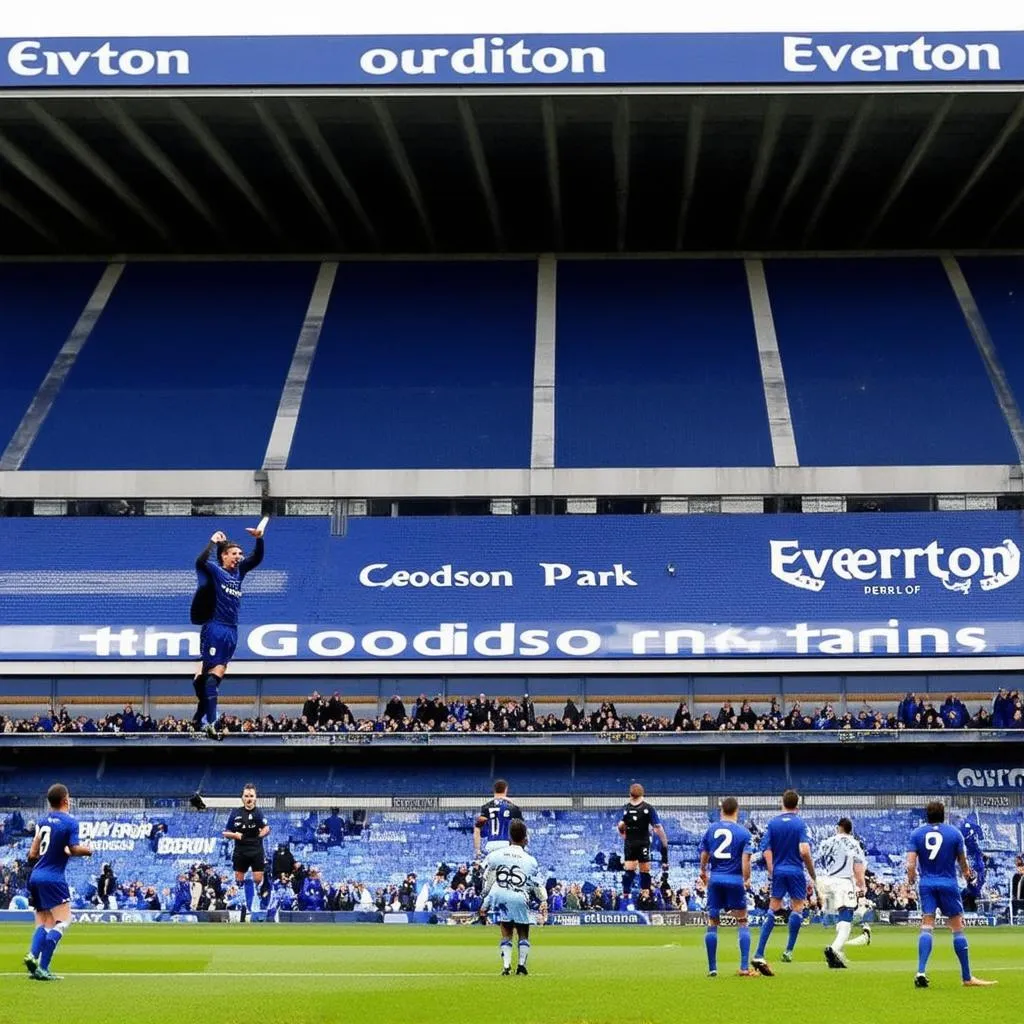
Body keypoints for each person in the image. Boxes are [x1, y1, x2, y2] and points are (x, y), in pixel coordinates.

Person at [907, 800, 995, 988]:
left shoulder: (916, 834)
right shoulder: (954, 833)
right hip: (948, 883)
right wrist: (967, 875)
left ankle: (921, 971)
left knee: (927, 925)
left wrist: (911, 878)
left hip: (927, 884)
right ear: (944, 814)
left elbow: (910, 864)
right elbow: (962, 862)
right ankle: (967, 977)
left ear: (926, 815)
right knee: (957, 928)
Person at [189, 523, 265, 738]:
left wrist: (259, 539)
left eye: (240, 553)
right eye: (234, 553)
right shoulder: (215, 570)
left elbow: (256, 559)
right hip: (215, 627)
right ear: (223, 556)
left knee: (209, 678)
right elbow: (200, 562)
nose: (239, 557)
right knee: (210, 678)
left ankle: (201, 716)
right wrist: (212, 543)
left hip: (231, 631)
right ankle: (210, 722)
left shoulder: (239, 573)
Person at [24, 783, 93, 981]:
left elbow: (33, 854)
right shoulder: (70, 822)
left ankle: (32, 956)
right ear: (65, 800)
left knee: (44, 922)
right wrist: (88, 850)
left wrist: (60, 851)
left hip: (36, 876)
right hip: (54, 878)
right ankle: (43, 967)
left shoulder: (42, 821)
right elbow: (74, 848)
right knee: (63, 921)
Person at [751, 789, 815, 975]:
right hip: (795, 871)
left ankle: (759, 951)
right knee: (797, 908)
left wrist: (772, 870)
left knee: (773, 908)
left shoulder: (773, 823)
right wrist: (811, 872)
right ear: (797, 805)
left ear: (782, 803)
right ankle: (788, 951)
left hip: (778, 871)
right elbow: (804, 850)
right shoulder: (800, 824)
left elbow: (766, 850)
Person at [480, 818, 547, 975]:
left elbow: (487, 876)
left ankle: (506, 966)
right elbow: (536, 884)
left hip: (500, 895)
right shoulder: (530, 860)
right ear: (525, 839)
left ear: (509, 838)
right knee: (523, 931)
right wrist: (543, 901)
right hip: (519, 896)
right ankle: (522, 965)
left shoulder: (495, 855)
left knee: (506, 928)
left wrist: (485, 900)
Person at [698, 796, 756, 978]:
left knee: (713, 922)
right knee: (742, 920)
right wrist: (746, 879)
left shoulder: (711, 829)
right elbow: (745, 860)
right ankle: (744, 967)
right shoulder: (744, 833)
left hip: (716, 879)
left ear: (721, 810)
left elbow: (704, 854)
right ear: (737, 811)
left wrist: (703, 872)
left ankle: (712, 968)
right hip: (734, 879)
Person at [816, 818, 871, 968]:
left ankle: (838, 953)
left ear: (838, 828)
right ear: (850, 830)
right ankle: (833, 949)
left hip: (827, 882)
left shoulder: (827, 842)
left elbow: (818, 861)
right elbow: (858, 868)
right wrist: (861, 886)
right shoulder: (853, 844)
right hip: (844, 882)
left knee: (840, 916)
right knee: (847, 917)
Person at [617, 783, 669, 904]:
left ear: (630, 795)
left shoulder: (626, 808)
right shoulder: (648, 808)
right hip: (643, 842)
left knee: (629, 871)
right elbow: (657, 827)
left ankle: (626, 898)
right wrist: (664, 843)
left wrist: (624, 836)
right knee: (644, 871)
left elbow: (620, 825)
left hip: (630, 843)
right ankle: (646, 897)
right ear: (643, 794)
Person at [222, 783, 270, 913]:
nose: (249, 798)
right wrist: (235, 835)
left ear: (255, 798)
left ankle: (257, 896)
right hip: (241, 851)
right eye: (246, 796)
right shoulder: (235, 813)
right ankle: (243, 902)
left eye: (251, 796)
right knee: (239, 879)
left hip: (256, 850)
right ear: (242, 798)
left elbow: (267, 828)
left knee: (258, 879)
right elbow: (225, 833)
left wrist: (261, 834)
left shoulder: (259, 813)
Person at [473, 779, 523, 860]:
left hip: (491, 844)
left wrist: (477, 850)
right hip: (506, 844)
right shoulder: (512, 807)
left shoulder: (486, 807)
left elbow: (477, 827)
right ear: (506, 789)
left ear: (494, 790)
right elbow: (521, 827)